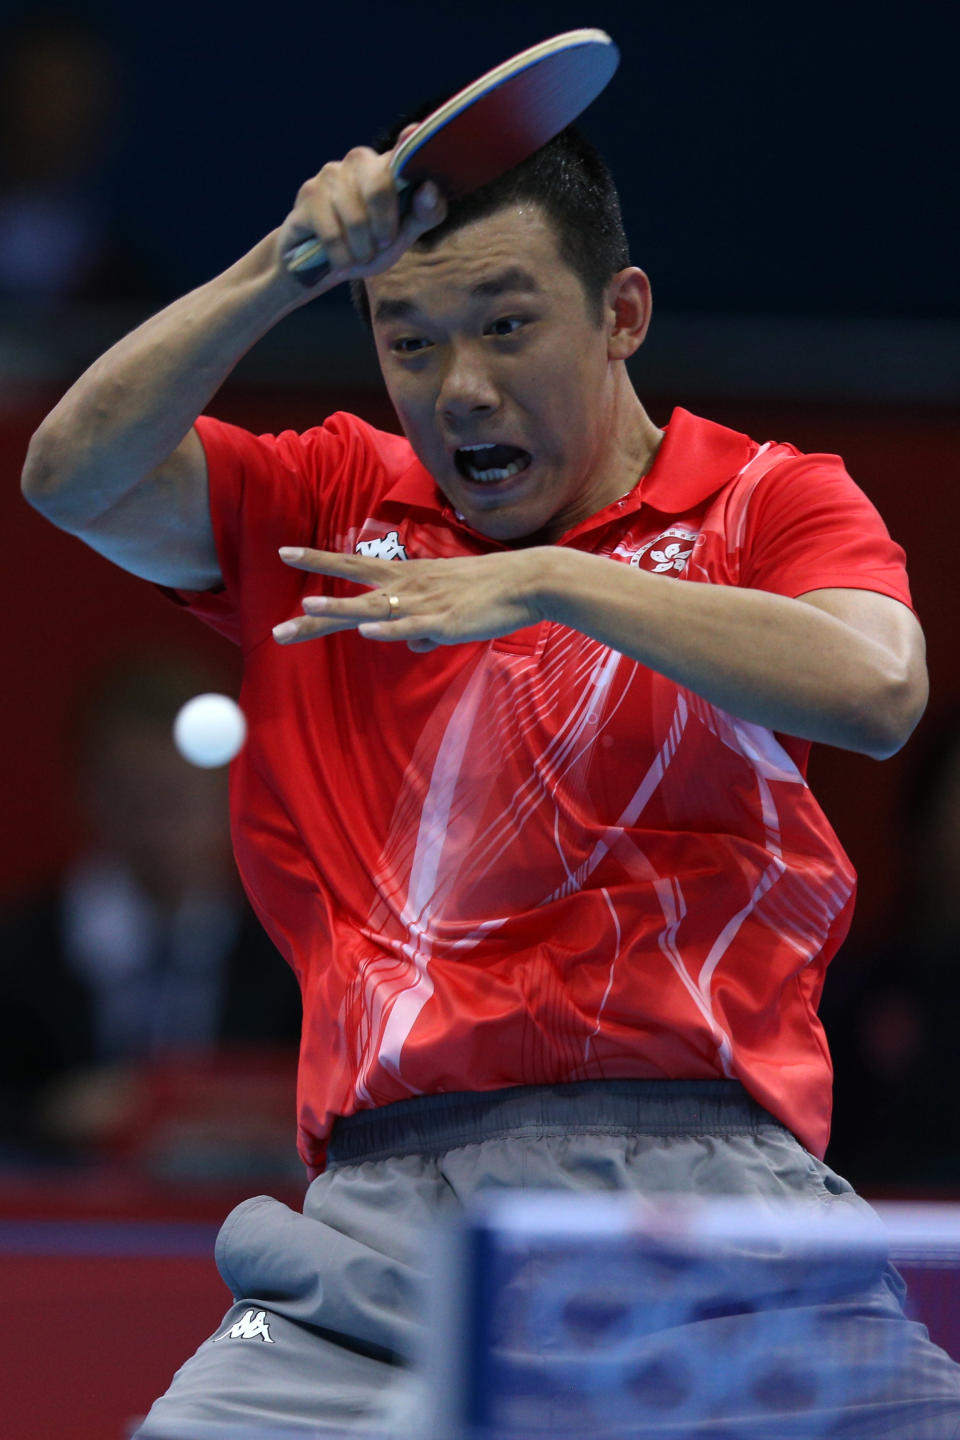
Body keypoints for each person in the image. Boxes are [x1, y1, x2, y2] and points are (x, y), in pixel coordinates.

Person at [21, 98, 960, 1438]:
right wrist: (279, 264)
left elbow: (875, 684)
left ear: (622, 311)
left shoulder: (766, 502)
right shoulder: (327, 504)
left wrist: (551, 584)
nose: (459, 386)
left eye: (508, 325)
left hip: (713, 1216)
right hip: (373, 1236)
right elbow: (74, 475)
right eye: (410, 341)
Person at [0, 658, 301, 1163]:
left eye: (179, 796)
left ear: (230, 790)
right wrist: (60, 1111)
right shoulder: (19, 954)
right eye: (134, 794)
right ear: (86, 791)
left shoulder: (290, 952)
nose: (160, 824)